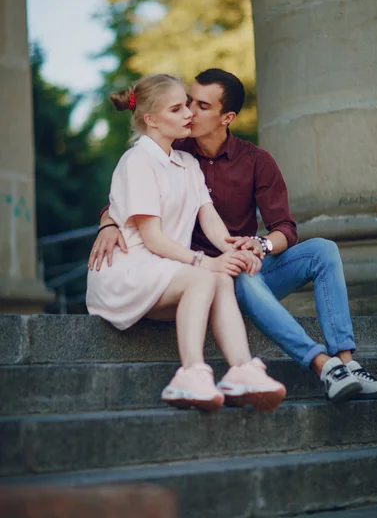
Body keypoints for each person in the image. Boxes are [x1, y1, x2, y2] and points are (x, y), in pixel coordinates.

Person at [90, 69, 377, 404]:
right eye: (184, 104)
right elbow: (130, 205)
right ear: (154, 117)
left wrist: (252, 246)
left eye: (199, 106)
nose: (190, 112)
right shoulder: (167, 147)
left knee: (318, 251)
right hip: (189, 268)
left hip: (223, 264)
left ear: (228, 117)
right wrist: (108, 223)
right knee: (232, 271)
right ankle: (321, 365)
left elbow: (281, 227)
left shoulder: (246, 161)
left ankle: (347, 366)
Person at [86, 74, 287, 413]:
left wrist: (235, 251)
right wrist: (203, 261)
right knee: (206, 275)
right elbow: (151, 238)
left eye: (189, 106)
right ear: (151, 119)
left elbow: (208, 219)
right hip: (127, 270)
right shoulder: (137, 161)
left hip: (164, 270)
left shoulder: (186, 162)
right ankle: (190, 373)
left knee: (222, 276)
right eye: (178, 108)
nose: (189, 114)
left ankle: (242, 369)